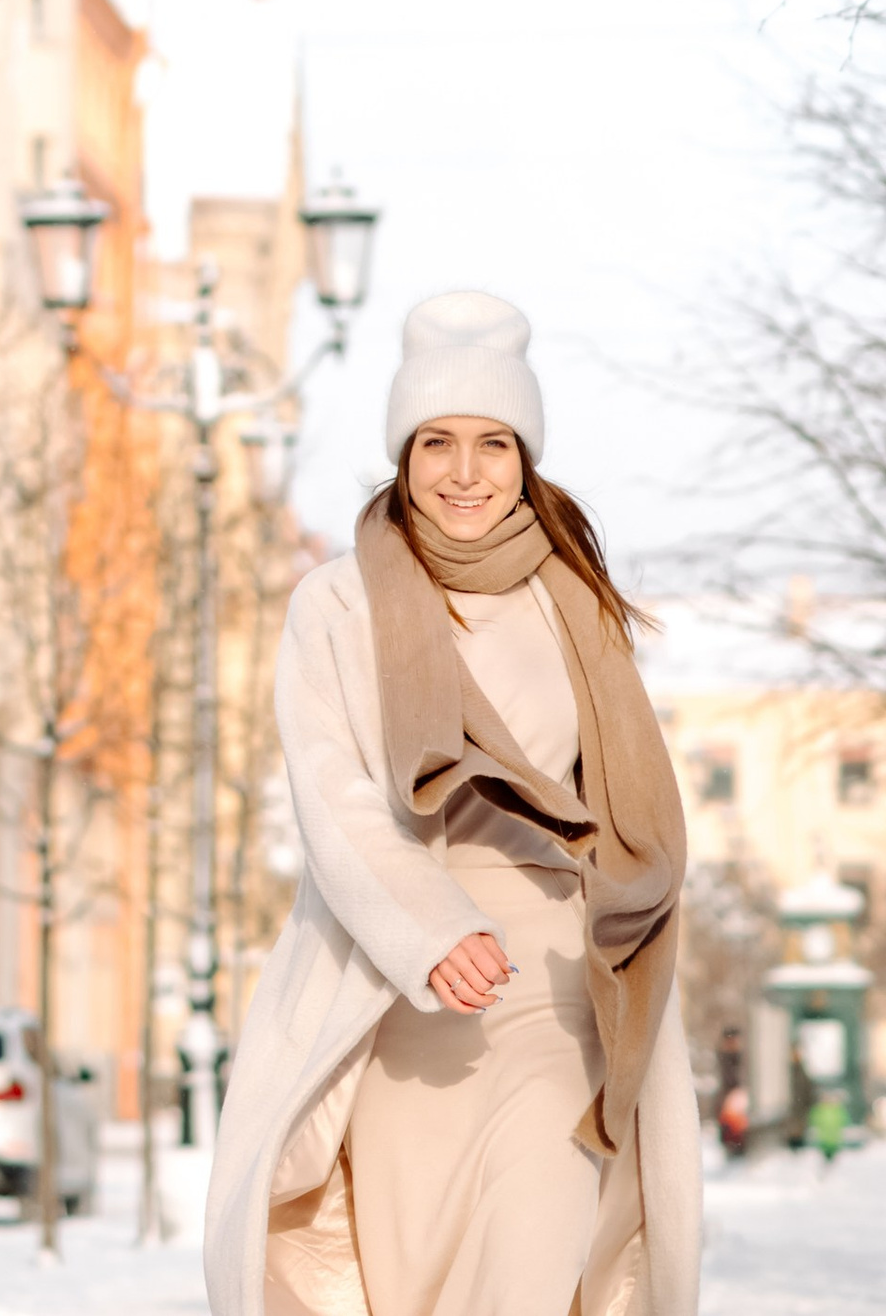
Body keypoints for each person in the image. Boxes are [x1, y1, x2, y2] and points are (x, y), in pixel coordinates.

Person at [202, 289, 700, 1316]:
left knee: (531, 1254)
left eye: (492, 443)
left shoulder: (574, 604)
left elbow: (621, 800)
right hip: (398, 989)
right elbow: (333, 795)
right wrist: (428, 929)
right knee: (413, 1285)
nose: (464, 472)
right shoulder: (336, 603)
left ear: (526, 459)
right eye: (436, 441)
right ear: (402, 452)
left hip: (562, 985)